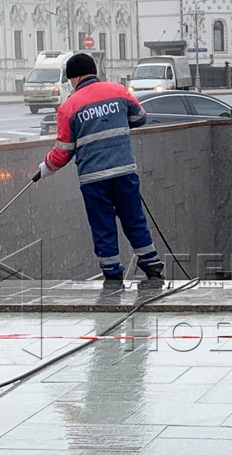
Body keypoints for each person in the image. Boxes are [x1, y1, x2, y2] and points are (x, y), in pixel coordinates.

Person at [34, 52, 166, 289]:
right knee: (134, 220)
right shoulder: (118, 91)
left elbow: (63, 152)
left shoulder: (68, 107)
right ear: (93, 72)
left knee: (103, 227)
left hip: (94, 180)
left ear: (75, 78)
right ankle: (152, 267)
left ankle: (112, 274)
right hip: (125, 173)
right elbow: (140, 118)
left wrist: (45, 168)